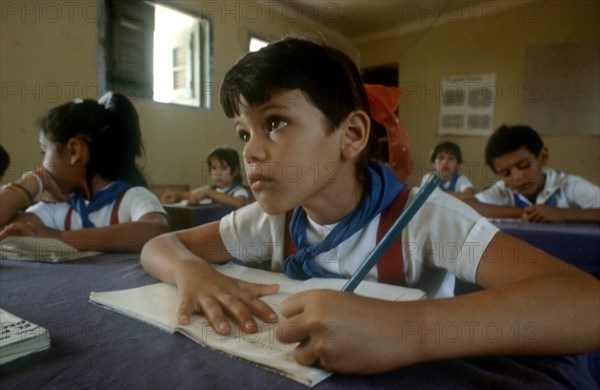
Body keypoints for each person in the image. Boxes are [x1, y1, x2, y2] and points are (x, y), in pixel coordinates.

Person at [140, 38, 598, 374]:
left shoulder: (426, 218)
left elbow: (584, 303)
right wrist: (192, 271)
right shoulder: (272, 218)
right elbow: (162, 245)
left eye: (275, 122)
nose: (250, 152)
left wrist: (408, 330)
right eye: (243, 133)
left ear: (353, 136)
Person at [0, 92, 170, 251]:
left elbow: (155, 229)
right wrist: (33, 181)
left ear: (74, 150)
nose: (42, 165)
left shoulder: (130, 198)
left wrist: (59, 238)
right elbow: (8, 230)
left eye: (45, 152)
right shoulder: (60, 208)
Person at [464, 125, 600, 223]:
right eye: (506, 173)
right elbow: (467, 205)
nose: (517, 177)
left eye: (524, 165)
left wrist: (563, 214)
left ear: (543, 157)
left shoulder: (568, 186)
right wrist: (524, 213)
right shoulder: (503, 190)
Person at [161, 146, 249, 208]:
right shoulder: (211, 189)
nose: (217, 172)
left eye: (223, 168)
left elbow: (239, 203)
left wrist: (209, 193)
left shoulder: (238, 191)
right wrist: (177, 196)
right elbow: (192, 194)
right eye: (214, 168)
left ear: (235, 171)